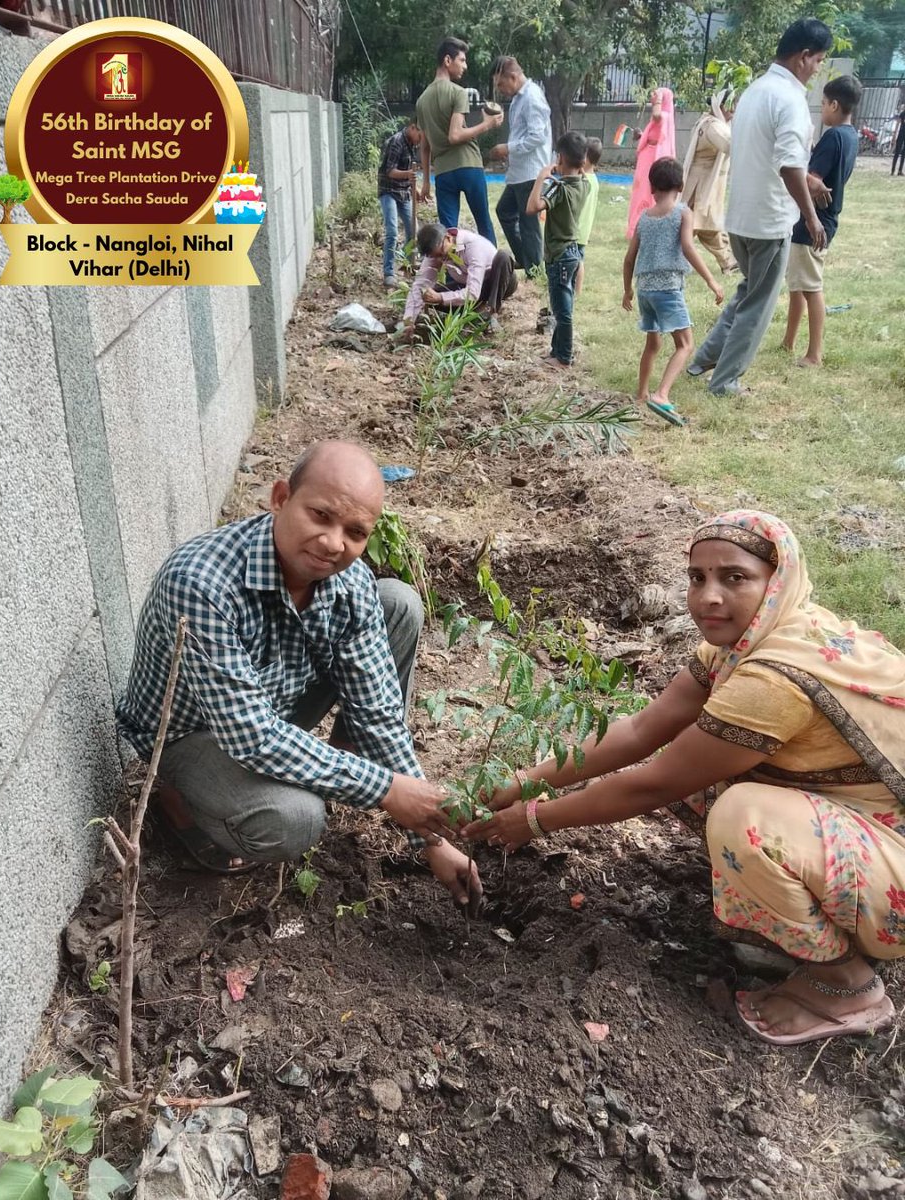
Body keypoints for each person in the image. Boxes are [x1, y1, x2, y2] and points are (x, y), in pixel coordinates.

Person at [465, 509, 905, 1048]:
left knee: (741, 815)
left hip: (893, 864)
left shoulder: (776, 676)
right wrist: (527, 780)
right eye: (698, 578)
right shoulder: (747, 641)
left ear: (777, 581)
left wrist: (531, 820)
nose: (708, 597)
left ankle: (847, 986)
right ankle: (794, 920)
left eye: (734, 578)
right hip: (865, 825)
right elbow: (642, 729)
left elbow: (655, 782)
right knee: (709, 776)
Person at [116, 441, 481, 908]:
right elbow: (251, 737)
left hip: (272, 702)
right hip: (194, 733)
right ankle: (179, 803)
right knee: (296, 820)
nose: (334, 543)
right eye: (320, 516)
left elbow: (379, 710)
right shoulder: (201, 584)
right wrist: (386, 789)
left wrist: (433, 839)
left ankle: (338, 765)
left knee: (397, 603)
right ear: (280, 498)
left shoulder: (347, 581)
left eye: (355, 531)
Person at [687, 18, 832, 396]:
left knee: (747, 294)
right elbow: (787, 165)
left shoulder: (755, 91)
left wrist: (809, 180)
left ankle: (703, 358)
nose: (818, 69)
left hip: (739, 218)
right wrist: (812, 217)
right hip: (768, 222)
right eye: (818, 60)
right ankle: (725, 381)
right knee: (757, 307)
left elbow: (771, 155)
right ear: (803, 57)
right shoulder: (790, 100)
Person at [622, 157, 724, 427]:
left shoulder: (644, 217)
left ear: (652, 187)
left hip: (645, 291)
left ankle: (642, 393)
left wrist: (627, 291)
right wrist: (712, 280)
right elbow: (689, 248)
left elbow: (629, 258)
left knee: (653, 344)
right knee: (685, 344)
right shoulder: (682, 213)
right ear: (680, 185)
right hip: (668, 289)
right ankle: (661, 394)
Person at [782, 74, 862, 368]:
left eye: (824, 103)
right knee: (797, 284)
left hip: (814, 221)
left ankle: (814, 354)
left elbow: (812, 181)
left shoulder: (834, 137)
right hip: (821, 219)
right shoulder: (851, 137)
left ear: (835, 104)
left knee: (811, 287)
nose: (822, 108)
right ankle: (788, 341)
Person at [416, 37, 503, 245]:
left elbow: (425, 146)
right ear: (448, 60)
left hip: (443, 173)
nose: (465, 66)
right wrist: (487, 124)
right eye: (462, 60)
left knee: (448, 233)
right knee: (484, 223)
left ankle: (451, 277)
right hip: (468, 166)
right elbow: (455, 136)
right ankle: (495, 274)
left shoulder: (421, 101)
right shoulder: (458, 92)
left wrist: (427, 181)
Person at [526, 131, 590, 369]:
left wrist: (541, 178)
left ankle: (563, 357)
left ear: (560, 158)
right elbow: (580, 172)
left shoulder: (559, 189)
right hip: (572, 253)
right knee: (564, 305)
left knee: (562, 312)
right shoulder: (584, 185)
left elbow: (532, 207)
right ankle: (556, 350)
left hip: (559, 256)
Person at [488, 55, 552, 277]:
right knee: (504, 211)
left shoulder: (532, 97)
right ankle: (527, 260)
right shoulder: (518, 98)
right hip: (519, 172)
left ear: (513, 77)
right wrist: (510, 152)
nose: (500, 89)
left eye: (501, 83)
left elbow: (538, 137)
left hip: (531, 172)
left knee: (529, 224)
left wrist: (508, 148)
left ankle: (534, 270)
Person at [403, 222, 516, 328]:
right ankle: (475, 311)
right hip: (470, 288)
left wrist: (441, 298)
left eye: (441, 254)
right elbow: (420, 285)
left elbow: (472, 293)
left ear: (448, 238)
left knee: (503, 256)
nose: (440, 259)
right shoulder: (435, 252)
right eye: (435, 257)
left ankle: (491, 312)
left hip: (498, 283)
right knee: (428, 296)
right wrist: (409, 320)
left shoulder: (473, 246)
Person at [681, 86, 738, 274]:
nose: (734, 109)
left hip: (709, 184)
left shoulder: (716, 123)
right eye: (731, 105)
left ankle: (728, 261)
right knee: (693, 224)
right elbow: (731, 145)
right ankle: (677, 260)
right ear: (720, 105)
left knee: (709, 224)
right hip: (699, 186)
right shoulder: (712, 125)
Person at [377, 119, 423, 289]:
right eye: (420, 134)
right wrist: (408, 174)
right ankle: (389, 273)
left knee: (414, 231)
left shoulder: (412, 143)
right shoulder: (396, 142)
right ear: (412, 128)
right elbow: (390, 171)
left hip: (403, 192)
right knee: (392, 231)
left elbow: (407, 174)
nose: (421, 139)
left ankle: (407, 264)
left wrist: (414, 189)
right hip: (388, 190)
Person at [626, 87, 676, 239]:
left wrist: (658, 99)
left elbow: (656, 115)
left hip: (654, 158)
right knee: (640, 191)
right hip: (647, 157)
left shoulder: (665, 116)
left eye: (656, 94)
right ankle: (636, 225)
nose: (652, 97)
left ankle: (648, 224)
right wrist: (642, 135)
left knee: (649, 190)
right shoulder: (662, 118)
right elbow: (654, 134)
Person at [574, 137, 603, 297]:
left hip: (577, 229)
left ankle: (577, 291)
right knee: (579, 259)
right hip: (583, 229)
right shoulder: (594, 180)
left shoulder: (583, 181)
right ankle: (576, 290)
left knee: (577, 261)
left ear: (584, 158)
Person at [892, 103, 905, 177]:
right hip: (901, 134)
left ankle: (900, 170)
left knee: (903, 153)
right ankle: (893, 170)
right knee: (897, 152)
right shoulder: (902, 114)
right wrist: (894, 134)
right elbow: (897, 124)